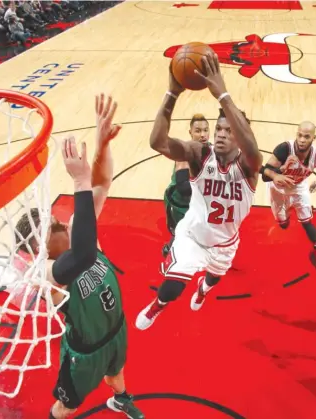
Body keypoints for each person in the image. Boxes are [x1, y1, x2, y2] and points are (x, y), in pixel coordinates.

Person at [14, 94, 144, 419]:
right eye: (47, 225)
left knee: (117, 374)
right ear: (37, 248)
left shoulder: (76, 229)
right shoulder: (48, 273)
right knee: (67, 407)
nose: (56, 219)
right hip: (84, 355)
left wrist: (102, 145)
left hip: (116, 331)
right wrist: (78, 181)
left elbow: (101, 184)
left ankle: (120, 398)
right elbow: (84, 256)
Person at [136, 54, 263, 330]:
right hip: (192, 236)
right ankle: (157, 306)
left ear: (240, 137)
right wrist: (171, 93)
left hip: (225, 244)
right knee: (172, 287)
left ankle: (203, 290)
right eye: (219, 129)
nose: (219, 134)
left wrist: (223, 95)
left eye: (229, 131)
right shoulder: (199, 153)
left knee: (213, 278)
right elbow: (157, 142)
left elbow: (251, 147)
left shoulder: (249, 165)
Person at [260, 122, 316, 272]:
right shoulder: (284, 149)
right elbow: (264, 174)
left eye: (306, 137)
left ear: (313, 138)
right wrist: (280, 170)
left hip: (299, 189)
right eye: (300, 135)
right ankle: (287, 214)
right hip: (278, 189)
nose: (302, 139)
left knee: (307, 222)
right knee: (283, 225)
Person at [162, 113, 210, 257]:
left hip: (195, 200)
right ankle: (170, 250)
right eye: (198, 131)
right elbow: (183, 187)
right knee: (184, 233)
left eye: (206, 130)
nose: (203, 134)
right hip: (179, 203)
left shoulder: (211, 149)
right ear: (190, 133)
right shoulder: (185, 152)